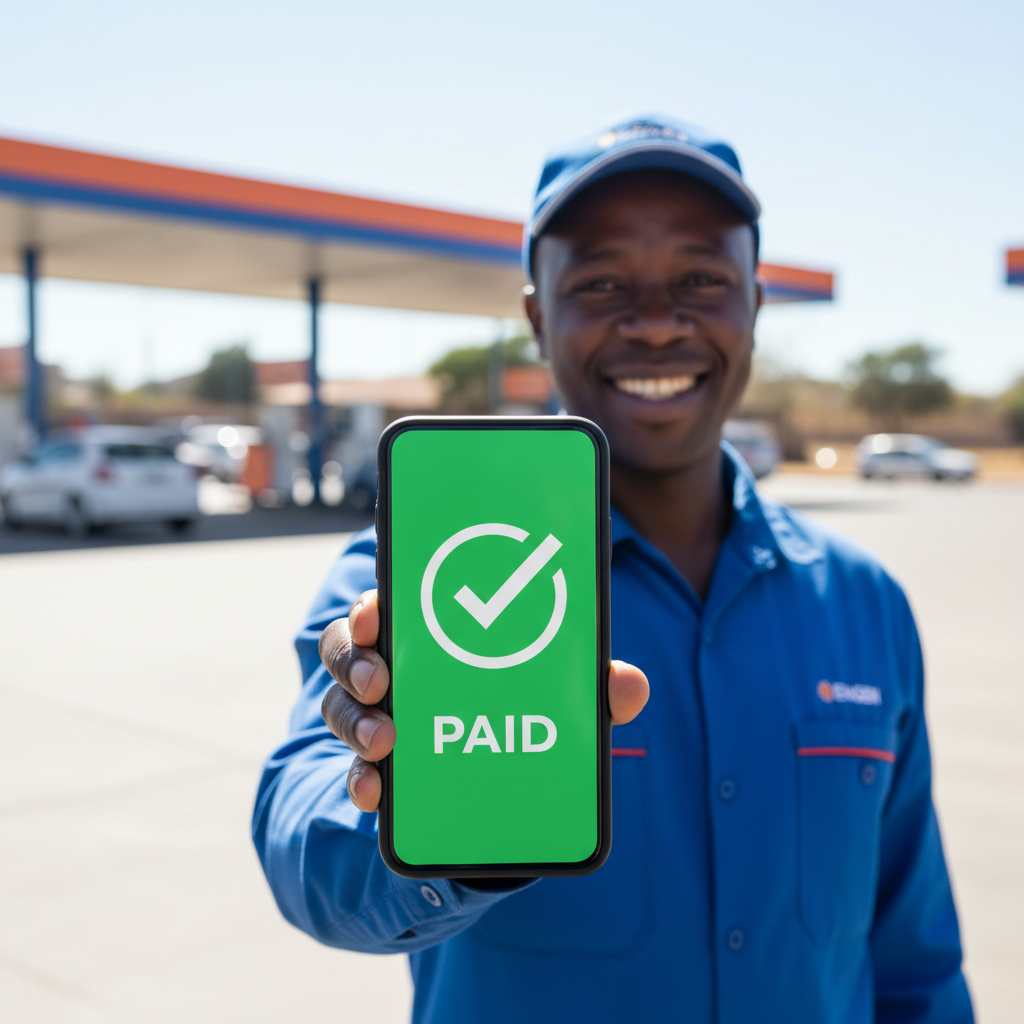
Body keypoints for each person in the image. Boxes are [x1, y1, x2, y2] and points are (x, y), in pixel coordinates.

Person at [253, 115, 973, 1023]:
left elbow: (914, 961)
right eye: (600, 282)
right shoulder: (403, 581)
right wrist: (437, 825)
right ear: (536, 317)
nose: (658, 323)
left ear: (754, 301)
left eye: (702, 278)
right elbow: (306, 844)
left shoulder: (862, 603)